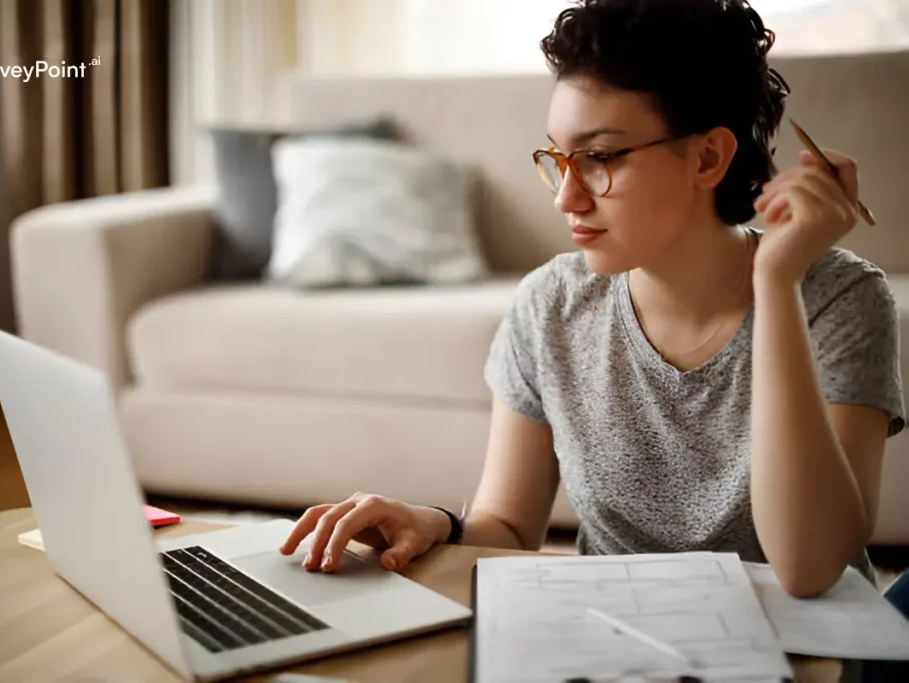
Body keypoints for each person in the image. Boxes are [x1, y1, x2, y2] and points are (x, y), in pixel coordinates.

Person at [279, 0, 905, 604]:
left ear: (709, 156)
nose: (567, 198)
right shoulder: (549, 303)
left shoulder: (840, 299)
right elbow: (510, 529)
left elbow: (810, 567)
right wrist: (436, 523)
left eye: (601, 157)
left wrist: (776, 284)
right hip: (608, 643)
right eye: (559, 158)